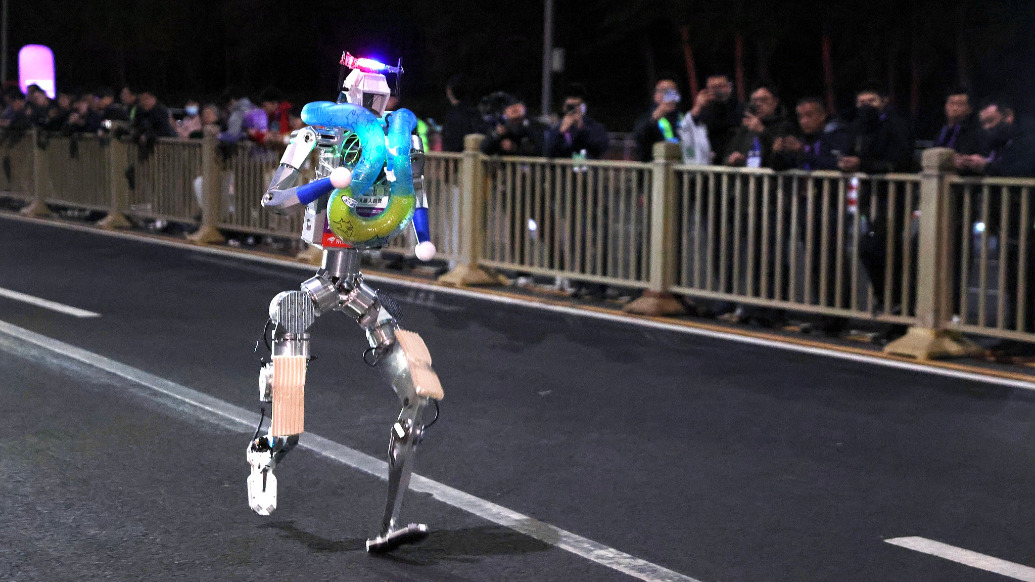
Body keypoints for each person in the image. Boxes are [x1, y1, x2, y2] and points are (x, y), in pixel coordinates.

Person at [954, 99, 1035, 337]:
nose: (988, 128)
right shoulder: (998, 144)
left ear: (1008, 116)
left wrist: (986, 167)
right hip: (1007, 221)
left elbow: (1019, 171)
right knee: (1012, 281)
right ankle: (1014, 333)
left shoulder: (1026, 140)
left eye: (992, 121)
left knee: (1026, 280)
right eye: (984, 124)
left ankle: (1026, 335)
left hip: (1026, 220)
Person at [839, 81, 915, 315]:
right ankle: (889, 301)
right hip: (871, 199)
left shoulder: (896, 125)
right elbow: (848, 150)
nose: (866, 107)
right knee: (872, 249)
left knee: (880, 249)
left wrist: (864, 164)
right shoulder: (857, 127)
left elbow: (900, 160)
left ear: (884, 101)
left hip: (894, 197)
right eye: (861, 102)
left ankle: (897, 302)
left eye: (871, 101)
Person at [723, 83, 793, 168]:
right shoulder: (746, 126)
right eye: (755, 101)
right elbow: (727, 156)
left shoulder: (784, 126)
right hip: (747, 175)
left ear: (775, 102)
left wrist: (762, 131)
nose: (758, 104)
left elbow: (780, 156)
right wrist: (733, 159)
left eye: (763, 100)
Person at [688, 73, 743, 163]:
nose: (717, 91)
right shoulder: (702, 111)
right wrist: (698, 106)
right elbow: (688, 131)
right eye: (713, 87)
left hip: (734, 159)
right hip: (709, 162)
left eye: (721, 86)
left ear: (729, 87)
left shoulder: (741, 109)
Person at [544, 83, 609, 159]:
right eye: (570, 106)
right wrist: (560, 133)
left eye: (577, 106)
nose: (574, 109)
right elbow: (549, 152)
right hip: (565, 166)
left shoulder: (594, 126)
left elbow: (600, 148)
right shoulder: (557, 127)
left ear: (583, 107)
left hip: (586, 165)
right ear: (564, 108)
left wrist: (581, 129)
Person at [632, 77, 682, 162]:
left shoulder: (681, 117)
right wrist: (653, 119)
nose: (669, 95)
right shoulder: (648, 117)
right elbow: (639, 137)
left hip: (678, 164)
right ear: (656, 96)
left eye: (672, 92)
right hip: (654, 166)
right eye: (663, 91)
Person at [479, 94, 546, 156]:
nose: (514, 108)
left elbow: (541, 149)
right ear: (505, 112)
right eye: (510, 107)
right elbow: (485, 149)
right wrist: (497, 134)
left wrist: (515, 148)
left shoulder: (535, 124)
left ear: (524, 108)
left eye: (517, 105)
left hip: (531, 164)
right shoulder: (503, 127)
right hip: (508, 165)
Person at [933, 87, 983, 156]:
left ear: (969, 109)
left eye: (960, 104)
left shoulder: (975, 132)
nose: (955, 108)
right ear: (945, 106)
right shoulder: (939, 128)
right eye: (951, 103)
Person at [441, 74, 483, 152]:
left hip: (455, 157)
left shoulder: (451, 116)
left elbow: (449, 143)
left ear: (449, 91)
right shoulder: (475, 113)